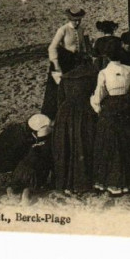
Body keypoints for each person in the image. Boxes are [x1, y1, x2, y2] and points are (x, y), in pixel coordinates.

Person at [90, 49, 130, 196]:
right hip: (126, 106)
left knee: (110, 143)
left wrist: (96, 106)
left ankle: (111, 182)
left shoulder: (103, 73)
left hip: (111, 107)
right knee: (128, 142)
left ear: (107, 56)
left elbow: (99, 94)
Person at [52, 62, 98, 194]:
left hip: (65, 113)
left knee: (67, 146)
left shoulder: (65, 79)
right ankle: (83, 183)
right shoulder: (92, 76)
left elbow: (60, 100)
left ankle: (66, 183)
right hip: (84, 112)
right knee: (83, 145)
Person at [43, 8, 88, 119]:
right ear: (69, 19)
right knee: (58, 90)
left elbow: (82, 45)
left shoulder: (81, 29)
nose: (77, 22)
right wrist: (57, 65)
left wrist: (84, 55)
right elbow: (52, 48)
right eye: (75, 20)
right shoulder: (63, 30)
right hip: (64, 62)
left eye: (79, 20)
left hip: (76, 61)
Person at [8, 114, 54, 205]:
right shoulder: (48, 146)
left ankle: (12, 191)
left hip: (21, 167)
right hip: (33, 170)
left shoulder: (33, 145)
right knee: (29, 186)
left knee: (17, 184)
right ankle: (26, 195)